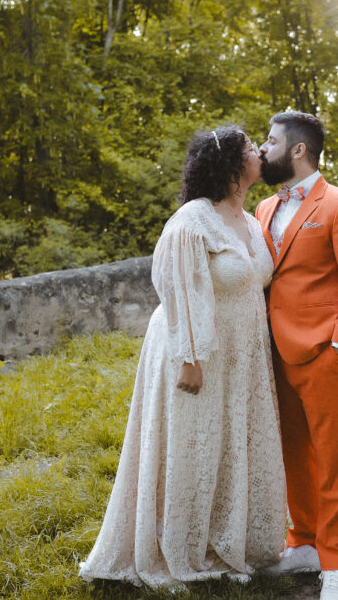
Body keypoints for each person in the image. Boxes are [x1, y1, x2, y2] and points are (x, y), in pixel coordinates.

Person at [79, 126, 286, 587]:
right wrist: (191, 356)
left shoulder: (251, 221)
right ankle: (176, 543)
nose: (259, 153)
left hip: (240, 356)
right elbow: (176, 286)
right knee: (193, 445)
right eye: (252, 148)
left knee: (227, 445)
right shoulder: (193, 219)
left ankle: (224, 537)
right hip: (195, 352)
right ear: (233, 166)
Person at [255, 111, 338, 600]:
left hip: (324, 351)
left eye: (270, 140)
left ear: (298, 150)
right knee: (292, 455)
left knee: (333, 459)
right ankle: (303, 539)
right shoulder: (264, 208)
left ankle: (337, 564)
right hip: (273, 351)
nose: (263, 149)